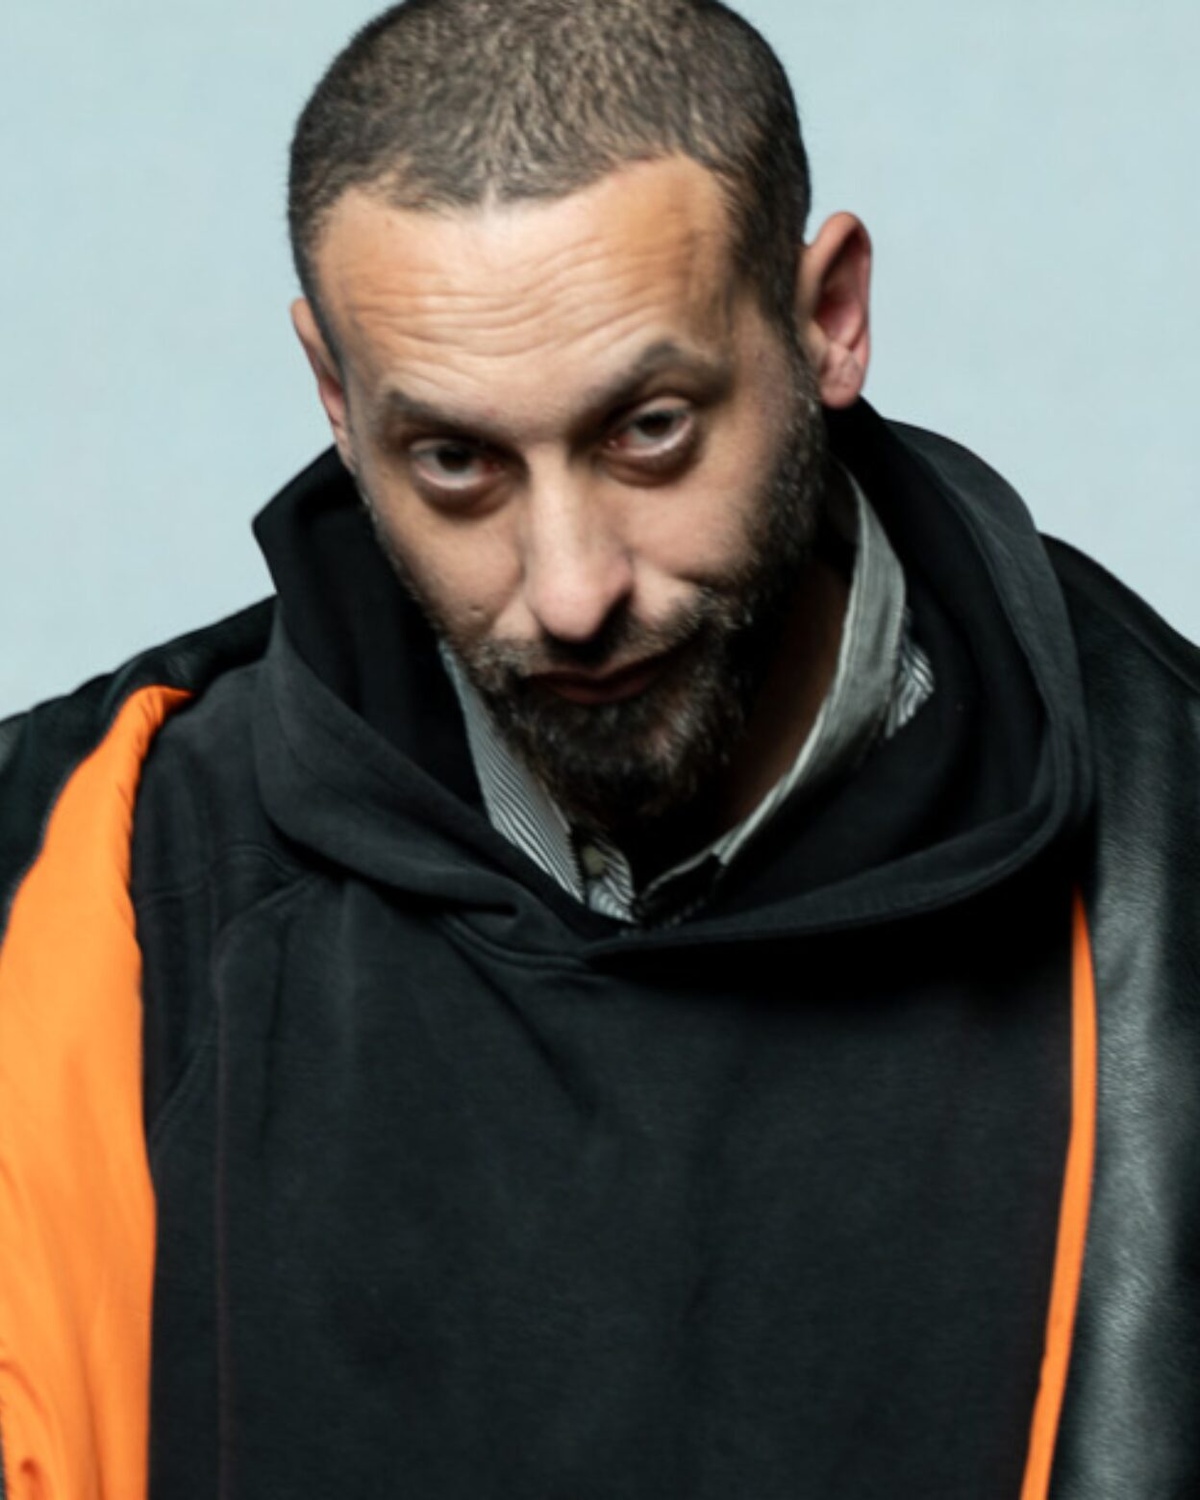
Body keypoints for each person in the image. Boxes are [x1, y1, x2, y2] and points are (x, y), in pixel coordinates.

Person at [0, 0, 1196, 1496]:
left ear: (828, 320)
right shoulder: (73, 875)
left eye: (649, 430)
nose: (569, 593)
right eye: (455, 461)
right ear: (335, 396)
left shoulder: (1171, 860)